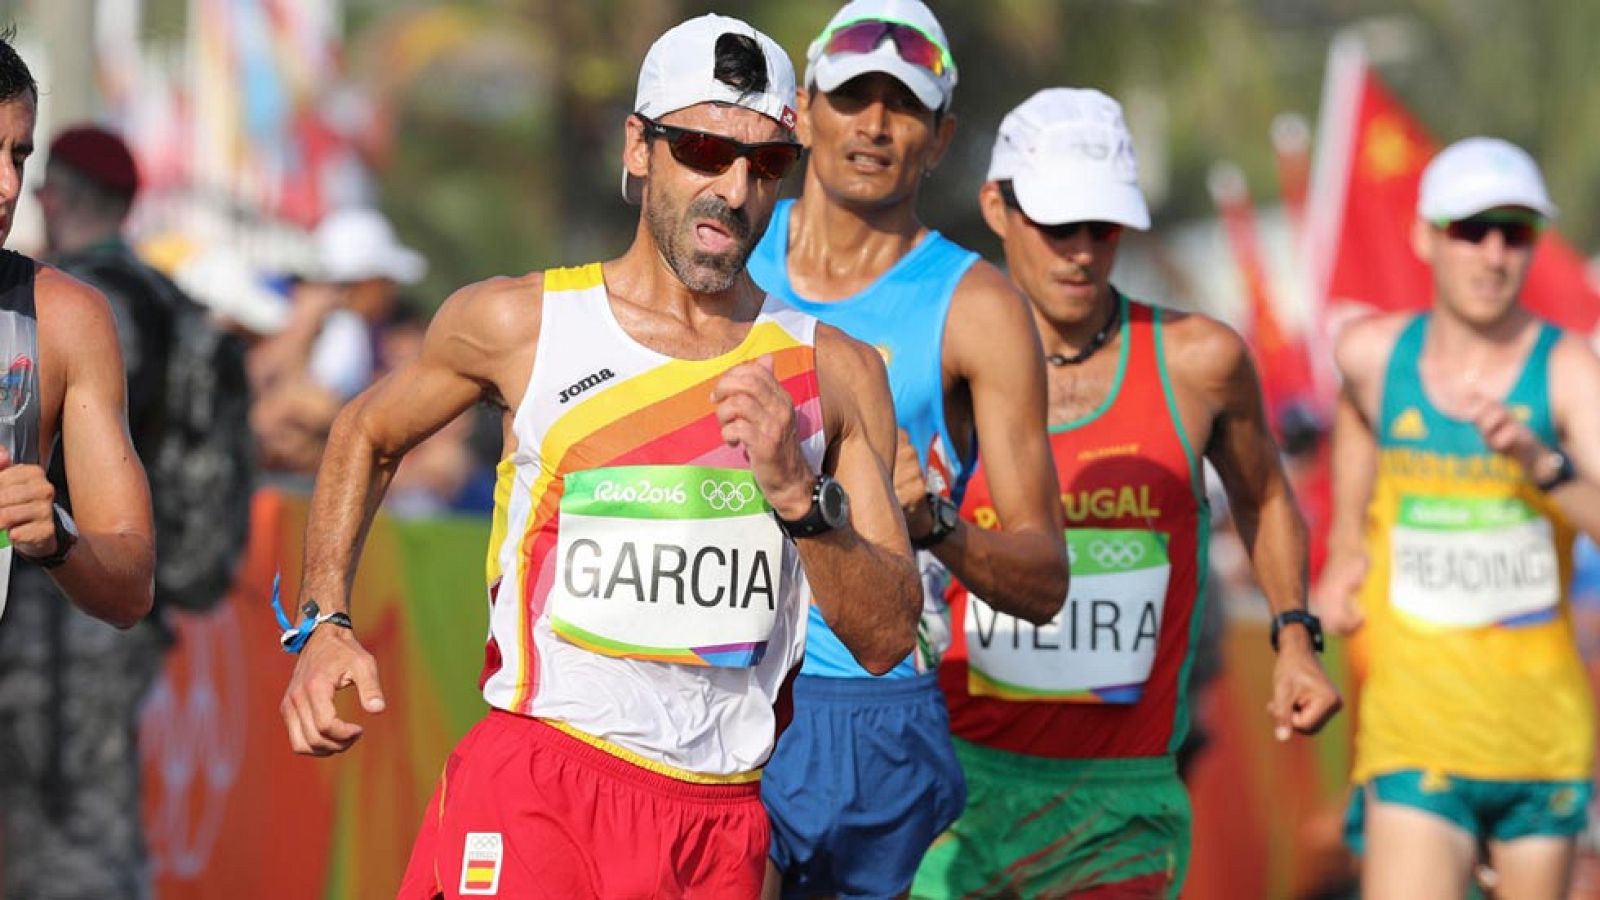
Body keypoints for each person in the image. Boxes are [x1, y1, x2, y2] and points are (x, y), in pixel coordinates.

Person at [277, 14, 921, 899]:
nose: (733, 189)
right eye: (701, 148)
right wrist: (324, 625)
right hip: (543, 783)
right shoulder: (519, 324)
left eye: (766, 162)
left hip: (716, 820)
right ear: (639, 146)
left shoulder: (834, 371)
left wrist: (799, 498)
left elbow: (887, 637)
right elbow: (366, 432)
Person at [913, 88, 1342, 899]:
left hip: (1120, 803)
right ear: (997, 207)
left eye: (1101, 227)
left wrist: (1293, 638)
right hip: (956, 791)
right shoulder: (937, 360)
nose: (1081, 252)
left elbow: (1266, 498)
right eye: (1058, 225)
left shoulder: (1199, 362)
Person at [748, 2, 1070, 896]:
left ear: (941, 137)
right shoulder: (724, 256)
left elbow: (1045, 578)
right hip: (723, 688)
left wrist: (934, 526)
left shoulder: (978, 306)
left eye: (906, 106)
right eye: (853, 97)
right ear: (804, 109)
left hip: (878, 709)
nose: (875, 126)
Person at [1316, 137, 1600, 899]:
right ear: (1425, 237)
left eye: (1516, 232)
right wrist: (1346, 540)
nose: (1494, 254)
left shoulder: (1570, 373)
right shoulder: (1374, 355)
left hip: (1541, 741)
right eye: (1471, 230)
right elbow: (1354, 409)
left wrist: (1543, 465)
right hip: (1418, 734)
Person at [0, 41, 159, 900]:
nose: (5, 186)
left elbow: (131, 580)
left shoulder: (64, 319)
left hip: (37, 725)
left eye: (18, 154)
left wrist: (55, 537)